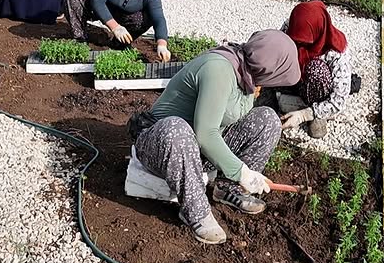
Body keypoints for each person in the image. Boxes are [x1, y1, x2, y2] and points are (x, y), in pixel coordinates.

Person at [128, 30, 301, 245]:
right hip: (162, 147)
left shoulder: (248, 74)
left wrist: (240, 174)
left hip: (197, 149)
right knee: (177, 129)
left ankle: (228, 189)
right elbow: (205, 133)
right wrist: (242, 172)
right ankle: (196, 212)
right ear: (269, 68)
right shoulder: (219, 70)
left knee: (268, 119)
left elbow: (221, 126)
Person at [272, 1, 352, 139]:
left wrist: (304, 115)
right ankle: (287, 97)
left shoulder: (336, 53)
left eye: (303, 41)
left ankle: (316, 112)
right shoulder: (290, 27)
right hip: (295, 80)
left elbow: (338, 101)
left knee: (317, 71)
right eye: (296, 40)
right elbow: (277, 49)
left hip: (316, 89)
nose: (298, 43)